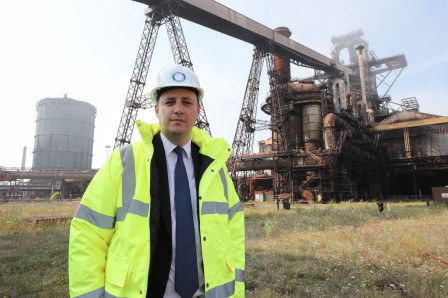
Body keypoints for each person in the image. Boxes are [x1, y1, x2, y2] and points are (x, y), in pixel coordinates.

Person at [69, 64, 245, 298]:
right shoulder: (124, 161)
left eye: (187, 102)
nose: (178, 109)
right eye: (170, 102)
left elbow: (234, 233)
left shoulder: (214, 166)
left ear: (198, 110)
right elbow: (88, 232)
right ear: (156, 109)